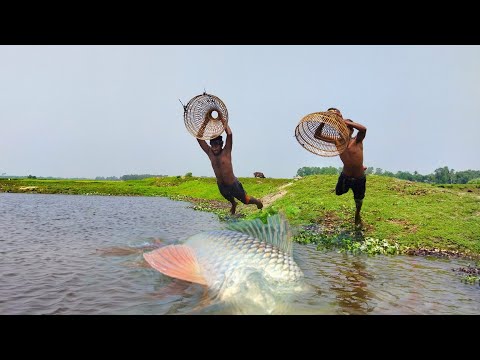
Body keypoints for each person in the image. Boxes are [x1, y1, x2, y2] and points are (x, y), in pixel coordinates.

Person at [196, 121, 263, 215]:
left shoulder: (226, 151)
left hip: (233, 184)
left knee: (246, 200)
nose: (214, 148)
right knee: (228, 197)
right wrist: (205, 122)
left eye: (216, 146)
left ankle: (257, 202)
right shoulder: (210, 152)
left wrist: (223, 120)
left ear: (221, 145)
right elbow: (199, 138)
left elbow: (229, 134)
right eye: (212, 146)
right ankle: (234, 204)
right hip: (221, 185)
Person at [316, 107, 367, 227]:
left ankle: (357, 215)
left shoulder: (357, 141)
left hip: (359, 177)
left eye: (347, 129)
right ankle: (357, 171)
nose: (344, 130)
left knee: (358, 200)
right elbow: (317, 135)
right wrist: (324, 121)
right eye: (342, 128)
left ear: (351, 131)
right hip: (346, 175)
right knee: (339, 192)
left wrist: (344, 121)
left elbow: (364, 129)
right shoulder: (337, 141)